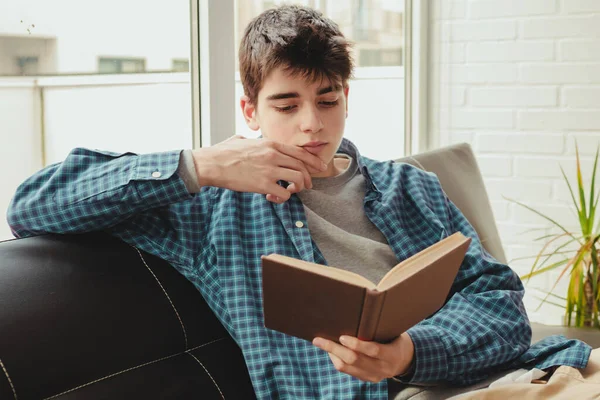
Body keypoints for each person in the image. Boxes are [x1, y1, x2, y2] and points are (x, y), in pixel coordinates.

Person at [6, 5, 591, 399]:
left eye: (328, 99)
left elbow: (499, 301)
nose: (312, 125)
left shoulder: (410, 188)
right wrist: (202, 165)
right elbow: (34, 203)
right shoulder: (211, 206)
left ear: (346, 98)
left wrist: (411, 350)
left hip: (513, 374)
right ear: (250, 111)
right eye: (286, 105)